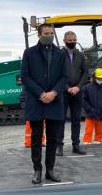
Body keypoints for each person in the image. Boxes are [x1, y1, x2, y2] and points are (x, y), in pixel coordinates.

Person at [21, 23, 68, 184]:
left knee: (53, 138)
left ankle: (50, 169)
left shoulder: (60, 54)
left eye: (51, 33)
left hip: (54, 100)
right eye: (46, 33)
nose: (49, 35)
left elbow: (64, 77)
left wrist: (53, 93)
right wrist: (41, 94)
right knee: (36, 138)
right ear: (39, 35)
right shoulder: (29, 53)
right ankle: (37, 170)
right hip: (36, 100)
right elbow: (25, 77)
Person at [56, 31, 87, 156]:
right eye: (70, 40)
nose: (72, 42)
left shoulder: (80, 55)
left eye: (74, 40)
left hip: (77, 92)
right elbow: (56, 74)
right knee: (60, 120)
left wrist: (78, 87)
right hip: (63, 92)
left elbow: (85, 73)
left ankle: (76, 145)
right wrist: (67, 87)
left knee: (76, 120)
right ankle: (59, 146)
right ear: (64, 41)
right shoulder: (58, 55)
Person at [82, 68, 102, 144]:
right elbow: (83, 100)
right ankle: (86, 143)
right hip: (90, 115)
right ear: (94, 77)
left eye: (101, 78)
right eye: (99, 78)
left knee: (99, 133)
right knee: (88, 132)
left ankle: (97, 142)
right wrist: (89, 109)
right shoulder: (87, 88)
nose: (100, 79)